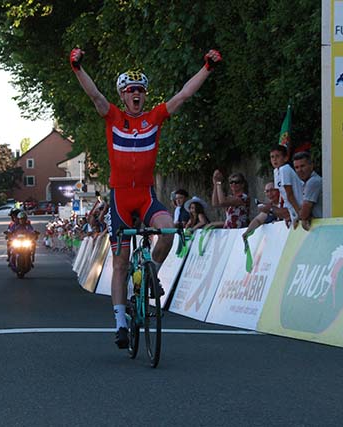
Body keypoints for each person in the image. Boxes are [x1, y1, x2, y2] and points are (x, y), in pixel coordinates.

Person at [70, 46, 222, 348]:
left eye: (140, 90)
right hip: (121, 199)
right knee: (121, 262)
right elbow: (95, 96)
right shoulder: (113, 117)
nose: (136, 94)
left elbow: (183, 95)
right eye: (130, 90)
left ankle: (150, 272)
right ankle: (120, 322)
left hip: (145, 196)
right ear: (123, 96)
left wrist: (207, 67)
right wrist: (76, 67)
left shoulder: (154, 118)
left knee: (167, 231)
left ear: (145, 95)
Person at [270, 145, 303, 228]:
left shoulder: (285, 169)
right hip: (292, 209)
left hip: (299, 206)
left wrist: (299, 213)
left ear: (285, 158)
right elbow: (282, 194)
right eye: (272, 157)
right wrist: (288, 214)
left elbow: (289, 194)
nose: (274, 159)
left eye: (277, 156)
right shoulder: (276, 171)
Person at [293, 151, 322, 231]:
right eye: (296, 167)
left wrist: (299, 217)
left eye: (302, 166)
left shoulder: (313, 182)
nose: (299, 170)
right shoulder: (307, 182)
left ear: (311, 166)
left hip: (322, 228)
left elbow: (304, 213)